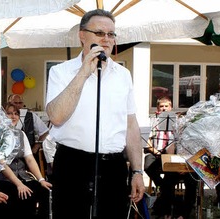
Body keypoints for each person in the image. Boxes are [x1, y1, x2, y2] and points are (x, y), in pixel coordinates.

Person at [45, 9, 145, 218]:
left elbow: (130, 124)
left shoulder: (123, 75)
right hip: (73, 163)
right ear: (82, 36)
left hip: (113, 166)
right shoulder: (60, 72)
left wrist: (137, 171)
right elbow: (56, 116)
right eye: (99, 33)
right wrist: (83, 72)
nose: (106, 39)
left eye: (111, 34)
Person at [0, 103, 52, 219]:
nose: (13, 116)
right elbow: (2, 165)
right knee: (19, 194)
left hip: (22, 176)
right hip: (1, 178)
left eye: (16, 114)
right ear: (2, 116)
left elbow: (30, 159)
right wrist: (19, 184)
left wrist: (41, 179)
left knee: (43, 190)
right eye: (9, 113)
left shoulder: (21, 134)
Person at [144, 97, 196, 218]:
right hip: (159, 154)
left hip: (182, 160)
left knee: (190, 181)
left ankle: (181, 213)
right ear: (157, 108)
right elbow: (148, 141)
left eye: (166, 106)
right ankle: (165, 202)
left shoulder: (179, 124)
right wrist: (155, 151)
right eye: (161, 106)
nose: (163, 108)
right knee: (151, 167)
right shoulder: (153, 121)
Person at [7, 94, 49, 170]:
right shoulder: (5, 116)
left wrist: (36, 146)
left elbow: (45, 132)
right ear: (9, 103)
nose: (18, 105)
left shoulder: (31, 116)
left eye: (20, 103)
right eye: (15, 103)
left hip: (28, 155)